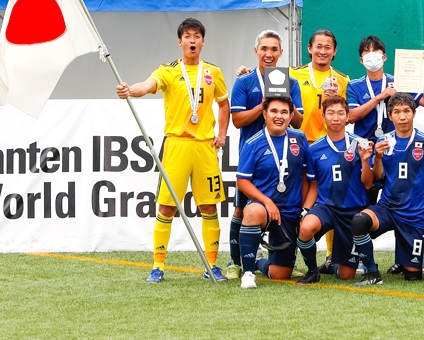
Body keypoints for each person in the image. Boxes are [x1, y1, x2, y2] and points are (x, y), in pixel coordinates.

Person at [115, 18, 229, 283]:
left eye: (197, 36)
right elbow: (148, 85)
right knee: (167, 207)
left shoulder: (213, 72)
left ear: (203, 41)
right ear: (180, 42)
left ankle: (211, 266)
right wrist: (131, 90)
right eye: (187, 36)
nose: (192, 40)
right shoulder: (168, 71)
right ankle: (158, 266)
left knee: (209, 207)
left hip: (204, 146)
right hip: (176, 145)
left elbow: (224, 105)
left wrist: (222, 133)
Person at [347, 35, 424, 276]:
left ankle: (404, 259)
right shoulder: (354, 85)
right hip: (368, 151)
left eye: (377, 52)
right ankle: (361, 258)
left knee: (403, 197)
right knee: (364, 205)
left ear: (385, 57)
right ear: (361, 58)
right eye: (367, 52)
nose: (372, 56)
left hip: (397, 147)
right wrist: (380, 96)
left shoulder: (400, 80)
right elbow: (351, 117)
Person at [226, 30, 304, 279]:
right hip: (253, 156)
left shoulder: (290, 82)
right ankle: (236, 262)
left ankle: (262, 261)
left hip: (283, 162)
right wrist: (263, 104)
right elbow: (237, 121)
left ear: (281, 52)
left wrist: (285, 100)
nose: (269, 54)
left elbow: (299, 122)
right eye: (264, 49)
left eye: (274, 49)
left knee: (280, 272)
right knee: (242, 210)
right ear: (256, 51)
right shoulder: (244, 81)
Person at [350, 93, 424, 285]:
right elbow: (376, 179)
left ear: (414, 113)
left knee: (413, 277)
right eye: (397, 112)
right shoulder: (384, 140)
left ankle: (404, 260)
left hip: (414, 214)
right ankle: (373, 273)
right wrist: (377, 158)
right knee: (359, 221)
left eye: (406, 111)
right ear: (390, 116)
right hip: (387, 208)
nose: (402, 116)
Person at [296, 96, 374, 284]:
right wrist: (304, 211)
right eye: (330, 113)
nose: (336, 117)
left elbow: (369, 184)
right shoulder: (313, 149)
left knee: (347, 275)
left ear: (348, 116)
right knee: (306, 226)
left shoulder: (360, 144)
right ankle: (313, 271)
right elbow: (314, 186)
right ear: (323, 116)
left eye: (340, 113)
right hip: (327, 208)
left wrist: (364, 160)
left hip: (352, 212)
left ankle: (333, 264)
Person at [290, 29, 350, 269]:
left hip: (329, 149)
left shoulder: (343, 80)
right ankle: (289, 252)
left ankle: (331, 256)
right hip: (300, 146)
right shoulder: (293, 74)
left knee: (331, 199)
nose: (323, 51)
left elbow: (345, 114)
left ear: (334, 51)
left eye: (328, 47)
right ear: (309, 48)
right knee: (297, 199)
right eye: (319, 46)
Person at [236, 97, 309, 289]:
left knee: (280, 274)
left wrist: (304, 210)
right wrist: (266, 202)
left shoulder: (299, 139)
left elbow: (305, 176)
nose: (279, 116)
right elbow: (242, 181)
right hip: (264, 207)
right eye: (274, 111)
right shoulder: (253, 143)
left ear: (291, 116)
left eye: (284, 112)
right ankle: (248, 272)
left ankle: (259, 260)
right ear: (264, 114)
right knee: (252, 212)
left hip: (290, 211)